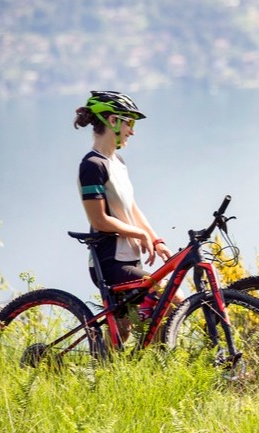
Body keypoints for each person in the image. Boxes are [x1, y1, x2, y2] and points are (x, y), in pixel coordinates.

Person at [73, 90, 183, 339]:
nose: (132, 131)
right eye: (129, 123)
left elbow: (132, 208)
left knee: (125, 334)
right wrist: (138, 232)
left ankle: (129, 373)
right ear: (112, 121)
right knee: (171, 298)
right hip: (110, 261)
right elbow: (98, 220)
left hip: (130, 258)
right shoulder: (92, 165)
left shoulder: (118, 162)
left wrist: (156, 239)